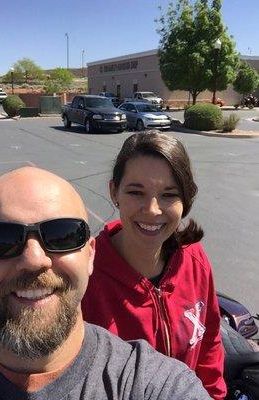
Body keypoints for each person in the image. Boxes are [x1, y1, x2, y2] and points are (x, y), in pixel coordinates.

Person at [0, 166, 211, 400]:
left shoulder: (153, 384)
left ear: (90, 255)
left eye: (61, 235)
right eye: (0, 240)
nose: (34, 259)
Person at [82, 132, 227, 400]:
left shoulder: (194, 259)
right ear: (114, 192)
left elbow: (209, 343)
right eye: (136, 192)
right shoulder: (84, 276)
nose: (152, 210)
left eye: (168, 195)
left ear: (186, 199)